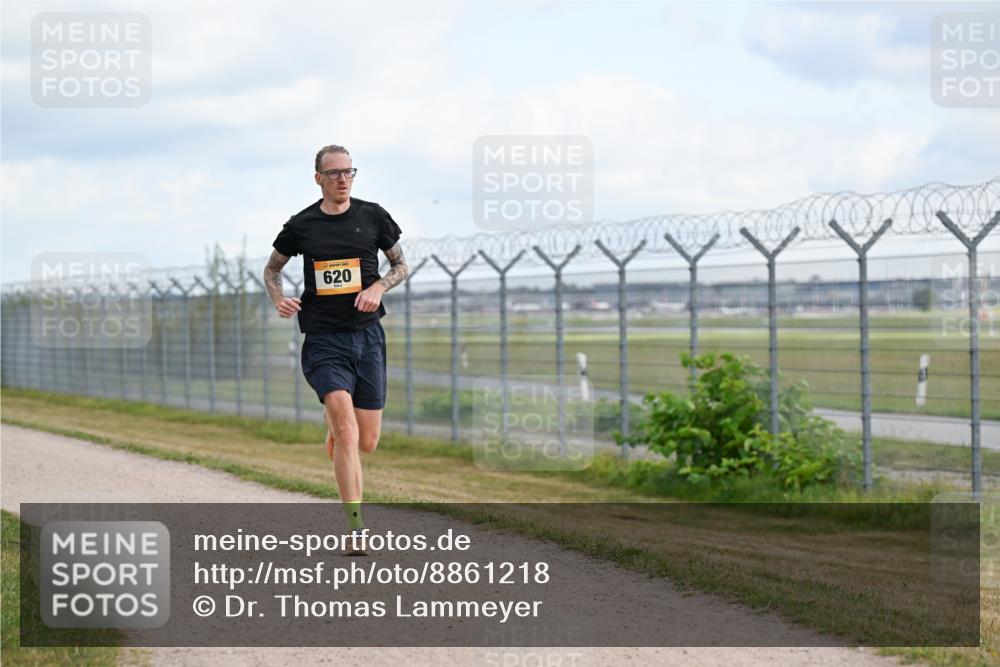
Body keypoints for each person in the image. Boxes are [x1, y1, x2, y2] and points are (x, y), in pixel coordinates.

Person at [263, 145, 409, 555]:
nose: (342, 179)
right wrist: (280, 299)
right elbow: (272, 268)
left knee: (367, 441)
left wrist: (378, 286)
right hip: (324, 339)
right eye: (334, 173)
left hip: (367, 337)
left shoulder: (373, 216)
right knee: (348, 432)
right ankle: (357, 529)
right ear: (318, 179)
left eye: (348, 172)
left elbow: (401, 266)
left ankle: (335, 422)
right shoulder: (302, 225)